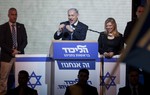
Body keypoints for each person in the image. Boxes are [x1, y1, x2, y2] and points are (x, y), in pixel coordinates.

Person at [0, 8, 28, 95]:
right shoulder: (2, 27)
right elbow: (1, 42)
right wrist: (12, 51)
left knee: (20, 78)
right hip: (6, 57)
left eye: (15, 14)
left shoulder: (21, 26)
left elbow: (25, 41)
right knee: (3, 79)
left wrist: (18, 51)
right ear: (8, 15)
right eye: (12, 14)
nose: (14, 16)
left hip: (19, 56)